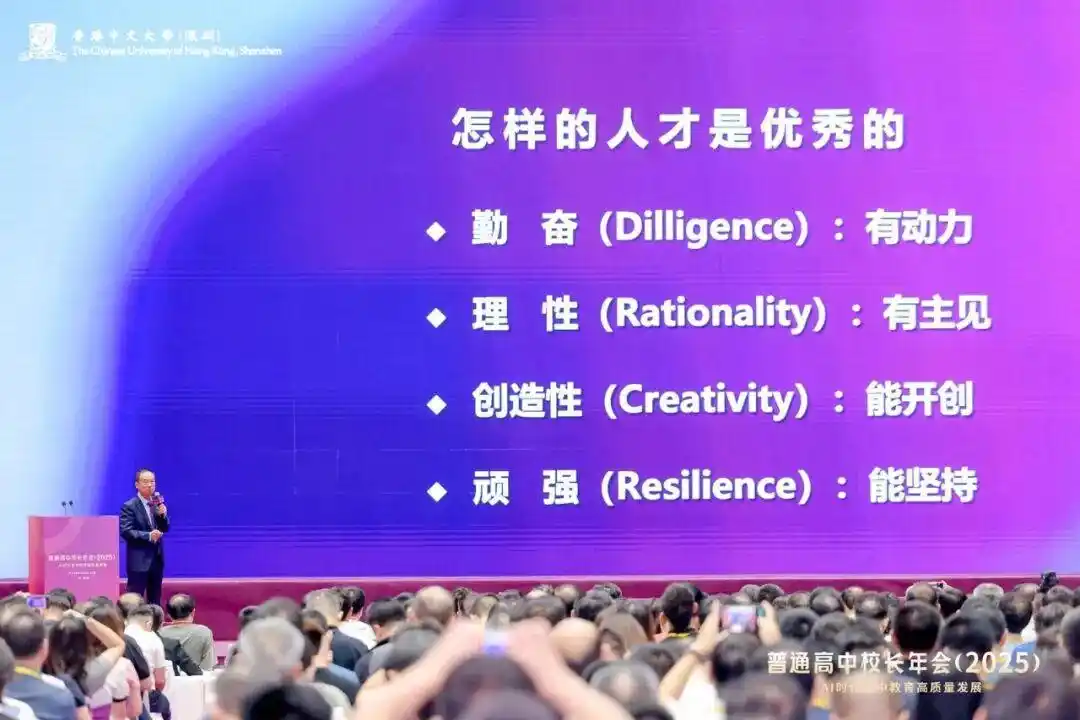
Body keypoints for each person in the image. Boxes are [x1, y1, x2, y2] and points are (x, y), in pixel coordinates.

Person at [118, 471, 169, 607]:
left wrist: (163, 515)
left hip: (156, 559)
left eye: (152, 482)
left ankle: (155, 620)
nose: (150, 485)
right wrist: (148, 535)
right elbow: (126, 531)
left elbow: (165, 528)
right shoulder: (129, 506)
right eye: (145, 482)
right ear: (137, 484)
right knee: (134, 600)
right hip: (139, 561)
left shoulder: (156, 503)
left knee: (155, 600)